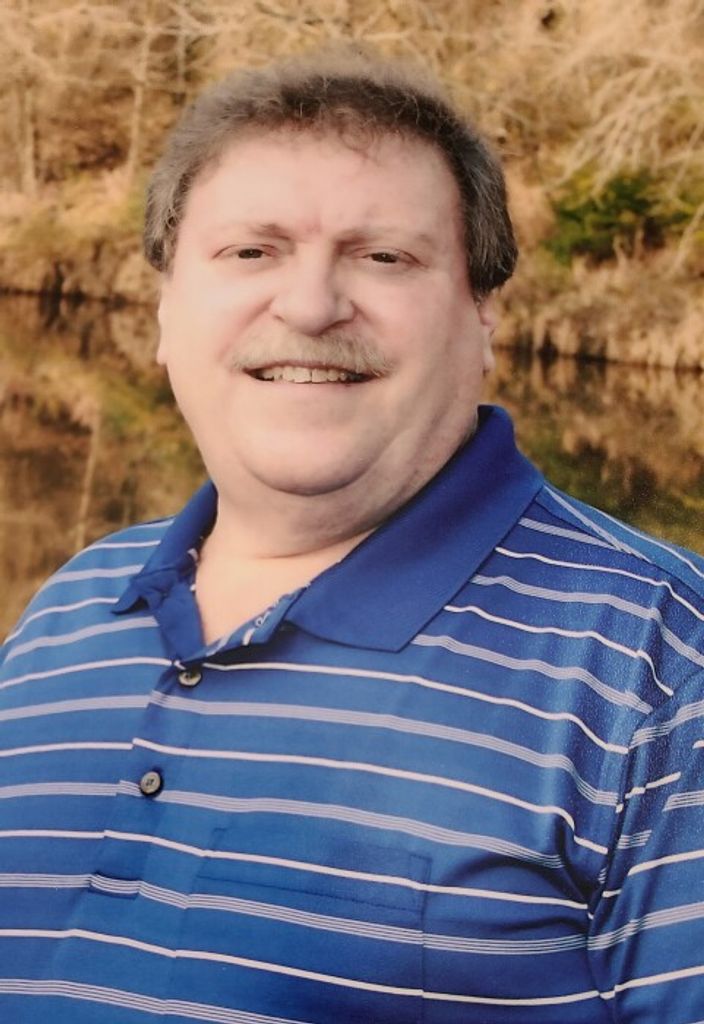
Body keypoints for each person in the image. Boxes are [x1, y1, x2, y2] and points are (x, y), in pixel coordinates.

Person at [1, 45, 703, 1024]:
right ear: (164, 306)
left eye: (382, 257)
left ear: (483, 315)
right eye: (251, 252)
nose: (310, 305)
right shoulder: (68, 612)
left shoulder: (660, 663)